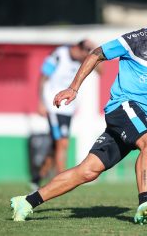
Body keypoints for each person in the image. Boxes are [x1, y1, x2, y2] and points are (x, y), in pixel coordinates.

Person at [10, 0, 147, 224]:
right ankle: (144, 203)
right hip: (123, 108)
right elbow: (96, 54)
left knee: (87, 171)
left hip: (136, 117)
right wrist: (74, 88)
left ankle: (26, 202)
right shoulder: (135, 40)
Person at [31, 39, 96, 190]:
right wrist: (41, 102)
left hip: (68, 109)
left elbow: (101, 71)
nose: (84, 55)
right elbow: (43, 76)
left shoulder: (84, 59)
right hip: (53, 105)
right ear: (76, 48)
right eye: (84, 51)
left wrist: (94, 50)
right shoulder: (58, 55)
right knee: (63, 142)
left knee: (57, 146)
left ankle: (37, 177)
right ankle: (61, 182)